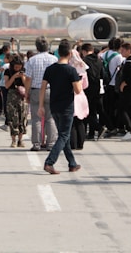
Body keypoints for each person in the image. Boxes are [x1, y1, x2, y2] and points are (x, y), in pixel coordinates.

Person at [41, 41, 83, 174]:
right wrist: (79, 80)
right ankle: (49, 162)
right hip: (66, 107)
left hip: (54, 105)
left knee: (63, 135)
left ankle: (72, 163)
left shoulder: (50, 69)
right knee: (64, 136)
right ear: (70, 54)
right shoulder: (71, 70)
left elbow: (43, 88)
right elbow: (78, 90)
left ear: (58, 53)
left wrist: (41, 105)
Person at [24, 36, 58, 151]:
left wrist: (27, 92)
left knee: (36, 118)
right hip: (50, 89)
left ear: (37, 47)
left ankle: (37, 143)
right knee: (50, 118)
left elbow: (28, 78)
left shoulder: (32, 60)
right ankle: (51, 143)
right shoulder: (54, 59)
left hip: (36, 90)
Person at [81, 43, 106, 140]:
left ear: (84, 51)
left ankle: (98, 128)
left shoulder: (85, 61)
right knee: (93, 111)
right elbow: (103, 75)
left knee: (87, 112)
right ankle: (91, 133)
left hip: (87, 88)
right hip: (97, 88)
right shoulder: (99, 60)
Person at [116, 42, 131, 141]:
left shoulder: (129, 63)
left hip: (130, 90)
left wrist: (124, 83)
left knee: (122, 109)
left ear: (129, 51)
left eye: (123, 50)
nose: (121, 52)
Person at [4, 57, 27, 148]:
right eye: (16, 67)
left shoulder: (24, 71)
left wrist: (23, 77)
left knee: (22, 117)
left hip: (22, 96)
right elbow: (7, 85)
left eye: (19, 67)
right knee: (13, 118)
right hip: (12, 95)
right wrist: (13, 76)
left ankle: (20, 140)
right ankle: (13, 140)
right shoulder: (7, 71)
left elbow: (27, 84)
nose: (18, 69)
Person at [69, 48, 89, 150]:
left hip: (72, 96)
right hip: (81, 96)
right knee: (80, 121)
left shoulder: (68, 68)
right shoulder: (82, 68)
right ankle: (80, 143)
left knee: (72, 122)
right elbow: (86, 85)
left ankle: (73, 143)